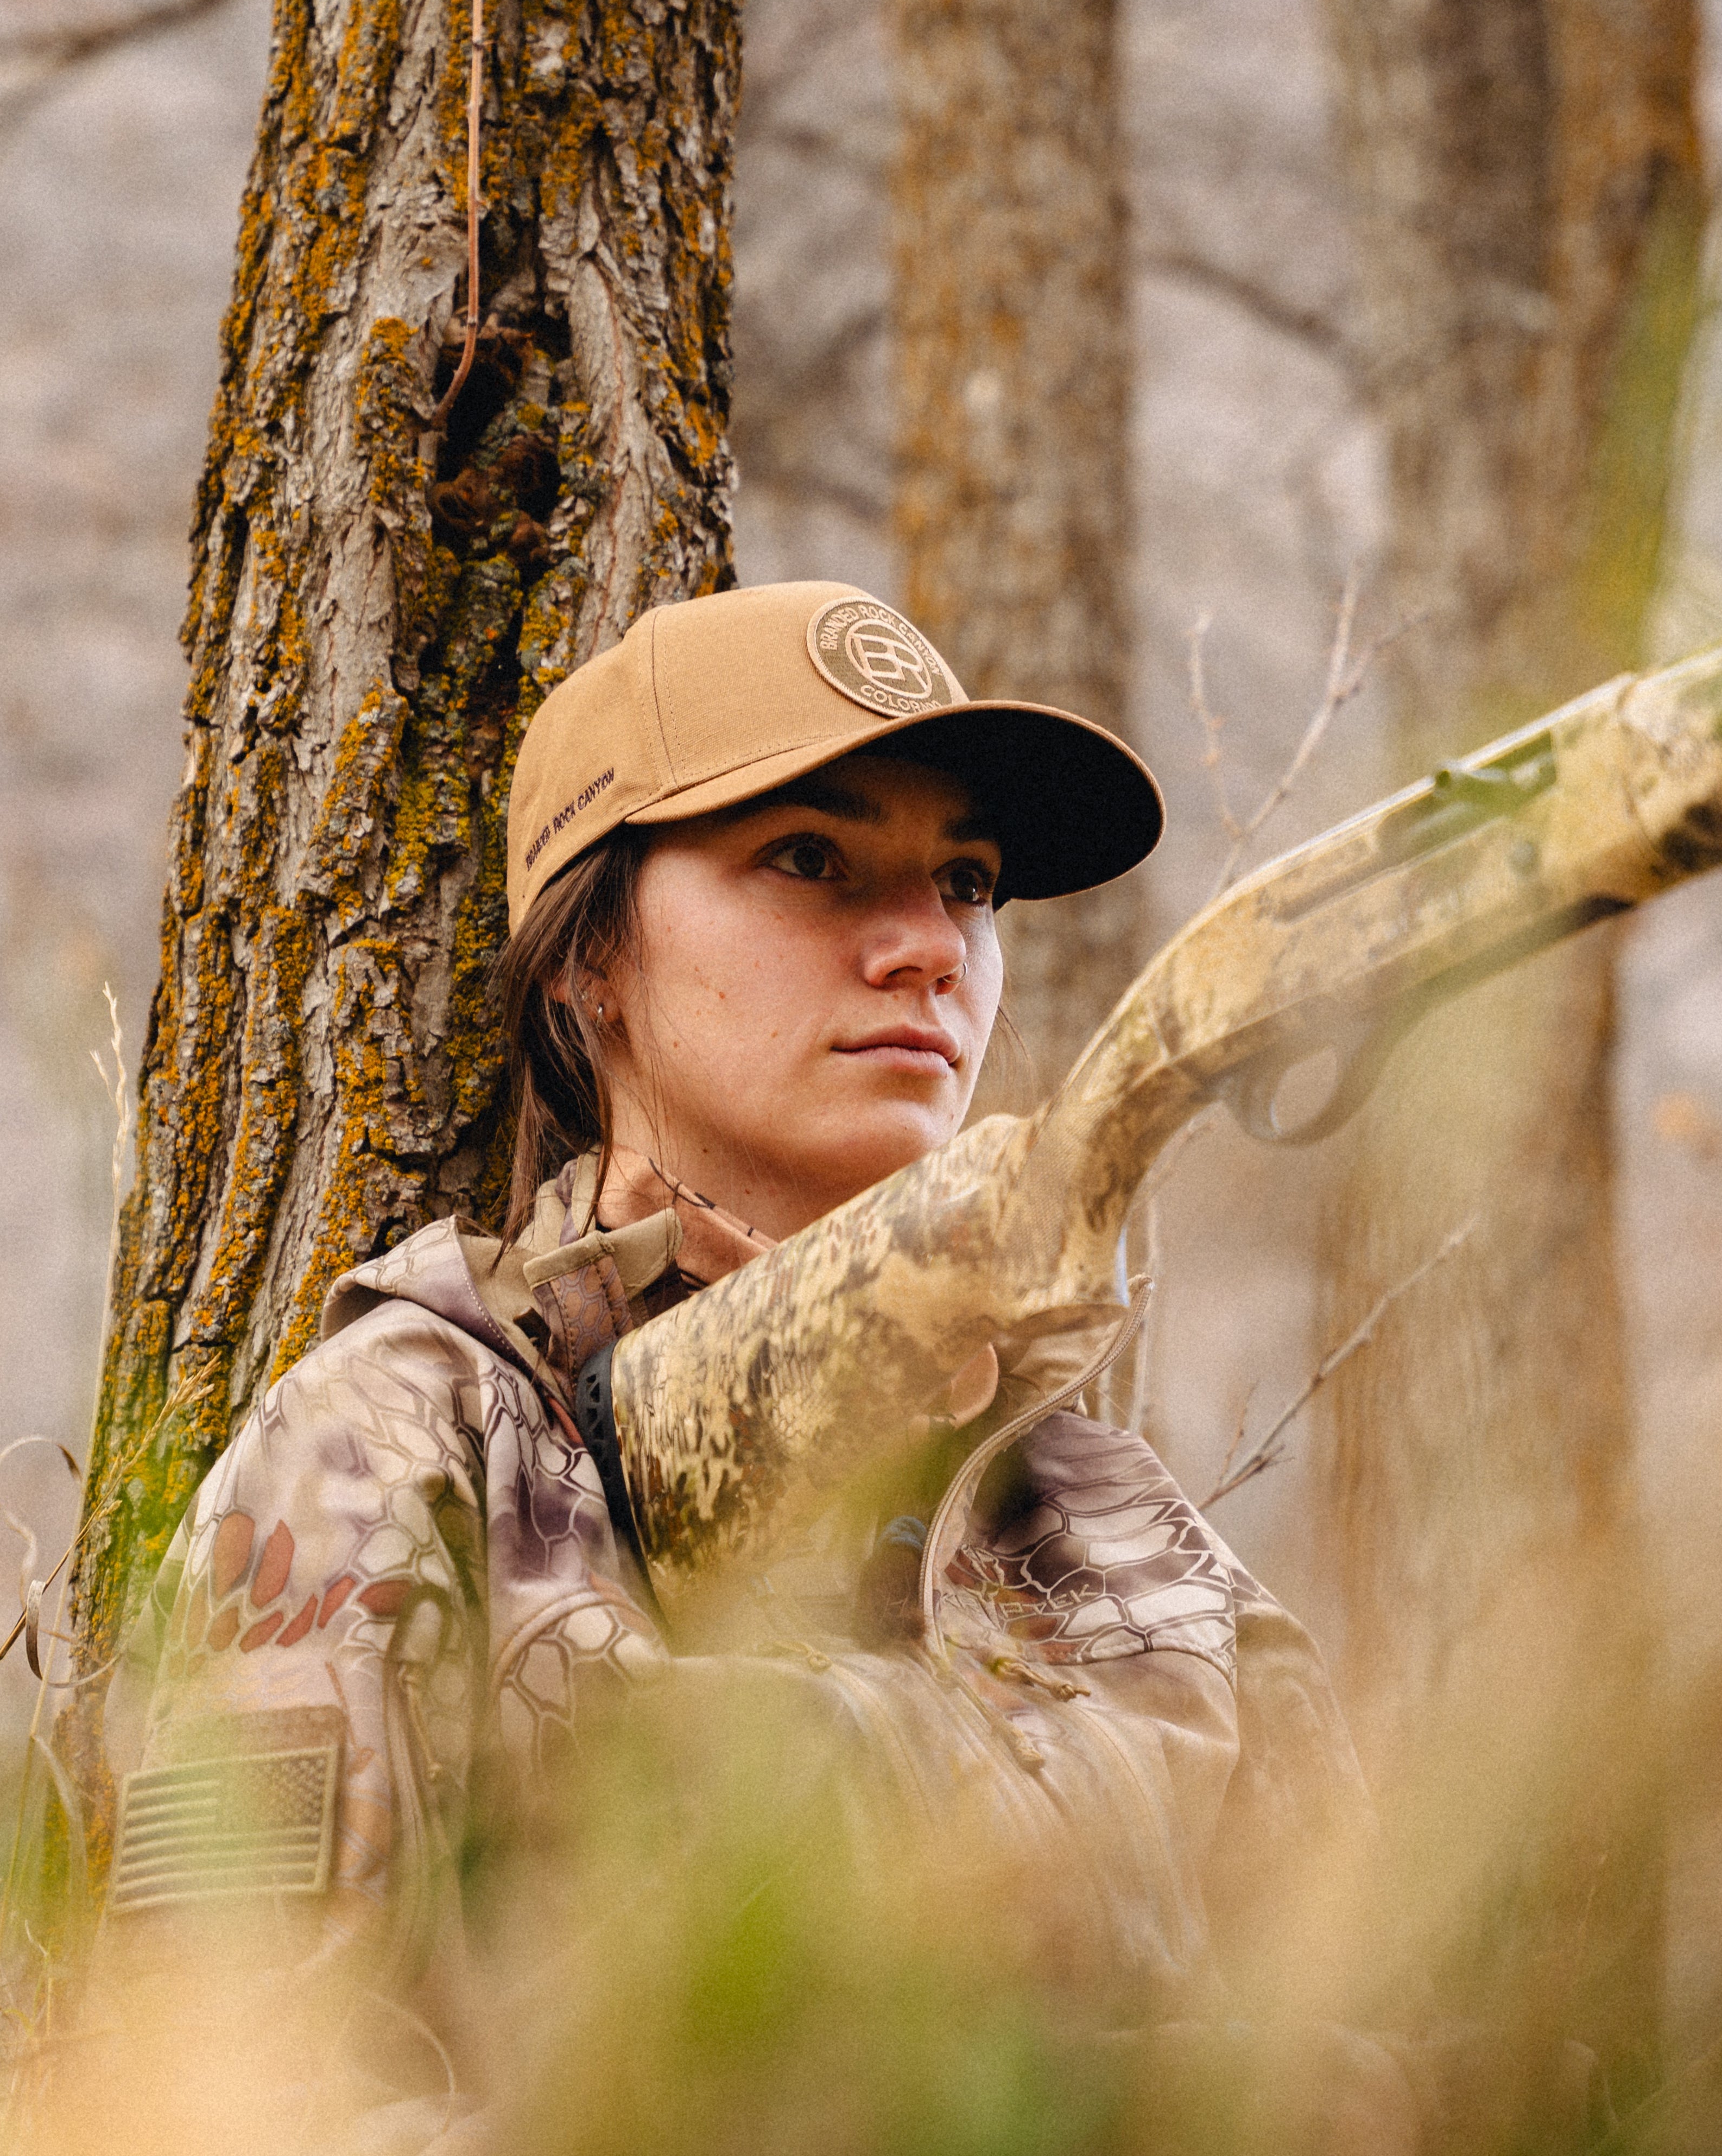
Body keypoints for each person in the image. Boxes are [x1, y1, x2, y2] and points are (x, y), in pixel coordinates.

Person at [94, 581, 1397, 2148]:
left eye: (969, 884)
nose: (929, 948)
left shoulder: (1113, 1522)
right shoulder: (395, 1450)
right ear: (589, 962)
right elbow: (229, 2099)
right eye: (811, 861)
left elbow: (1391, 2051)